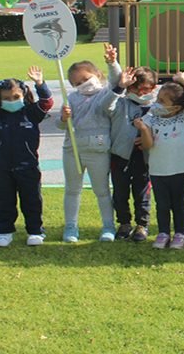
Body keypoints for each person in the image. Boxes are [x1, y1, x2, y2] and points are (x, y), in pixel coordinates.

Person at [0, 66, 54, 247]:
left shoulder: (31, 113)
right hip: (1, 167)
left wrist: (40, 84)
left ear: (24, 96)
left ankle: (35, 231)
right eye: (6, 98)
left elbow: (47, 102)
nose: (12, 101)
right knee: (4, 201)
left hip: (28, 166)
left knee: (32, 200)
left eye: (16, 97)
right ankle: (4, 232)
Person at [58, 51, 131, 243]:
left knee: (102, 190)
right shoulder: (71, 98)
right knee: (72, 190)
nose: (82, 84)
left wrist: (113, 62)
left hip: (98, 150)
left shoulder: (105, 94)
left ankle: (108, 226)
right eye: (76, 83)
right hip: (72, 149)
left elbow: (117, 83)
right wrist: (64, 118)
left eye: (85, 79)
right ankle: (71, 227)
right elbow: (60, 125)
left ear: (97, 74)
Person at [133, 71, 184, 250]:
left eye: (163, 101)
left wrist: (181, 79)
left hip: (178, 169)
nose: (158, 103)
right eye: (158, 98)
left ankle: (180, 233)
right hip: (157, 169)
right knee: (162, 204)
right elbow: (147, 145)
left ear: (176, 107)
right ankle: (163, 233)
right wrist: (144, 129)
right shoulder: (150, 117)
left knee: (178, 203)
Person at [106, 43, 156, 242]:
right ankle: (124, 223)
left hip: (144, 159)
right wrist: (112, 63)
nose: (142, 93)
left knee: (142, 193)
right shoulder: (120, 103)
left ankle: (142, 225)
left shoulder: (156, 108)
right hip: (120, 156)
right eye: (137, 89)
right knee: (120, 192)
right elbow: (114, 86)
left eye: (147, 90)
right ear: (129, 87)